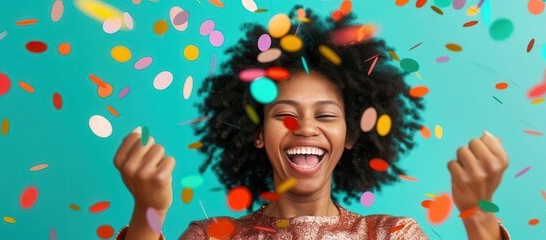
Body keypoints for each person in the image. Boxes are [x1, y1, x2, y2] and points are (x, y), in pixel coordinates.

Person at [113, 6, 510, 240]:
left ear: (351, 135)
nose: (305, 127)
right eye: (285, 114)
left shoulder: (392, 235)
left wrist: (478, 217)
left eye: (325, 115)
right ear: (256, 133)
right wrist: (147, 212)